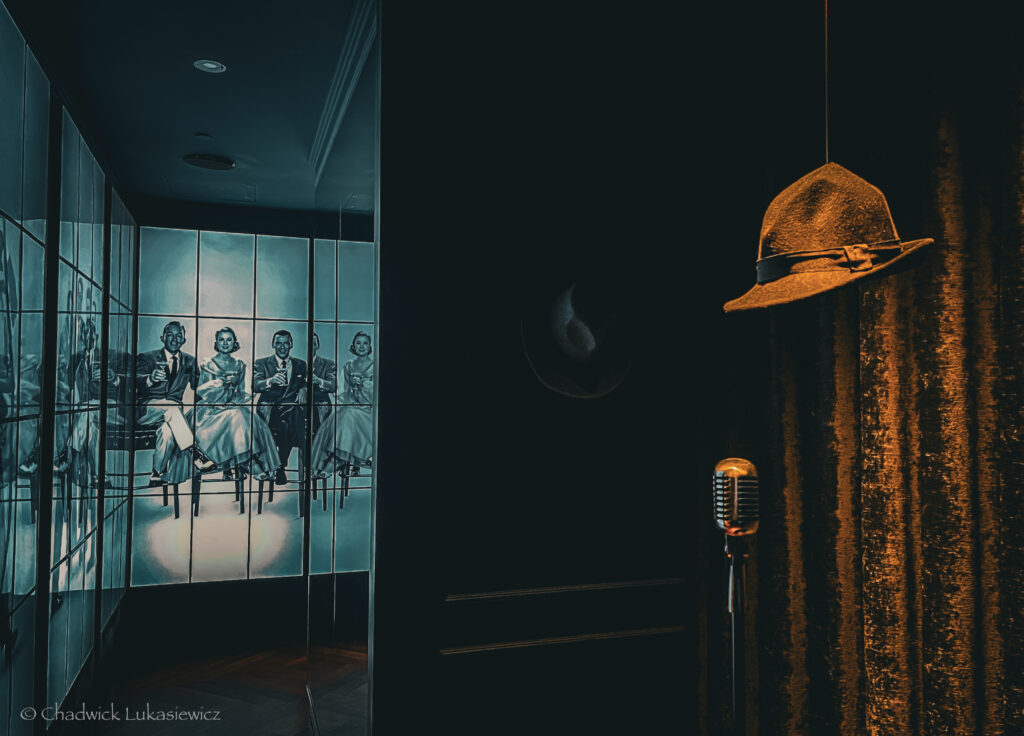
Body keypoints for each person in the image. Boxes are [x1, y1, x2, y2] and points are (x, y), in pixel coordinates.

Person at [164, 327, 279, 481]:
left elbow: (246, 394)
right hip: (209, 411)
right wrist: (220, 383)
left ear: (234, 343)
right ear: (216, 343)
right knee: (238, 416)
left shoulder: (240, 365)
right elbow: (202, 391)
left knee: (244, 416)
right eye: (222, 339)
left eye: (229, 340)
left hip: (232, 409)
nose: (225, 343)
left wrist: (235, 388)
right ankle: (249, 463)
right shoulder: (208, 364)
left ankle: (246, 462)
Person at [136, 321, 214, 485]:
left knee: (167, 432)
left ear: (184, 340)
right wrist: (150, 378)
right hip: (147, 411)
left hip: (171, 417)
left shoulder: (189, 361)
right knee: (172, 406)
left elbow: (199, 388)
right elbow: (135, 382)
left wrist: (211, 399)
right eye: (170, 335)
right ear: (162, 338)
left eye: (179, 335)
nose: (175, 339)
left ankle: (157, 474)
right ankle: (195, 453)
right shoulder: (147, 357)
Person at [311, 331, 374, 477]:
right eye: (358, 343)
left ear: (370, 346)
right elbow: (342, 392)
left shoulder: (375, 366)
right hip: (353, 409)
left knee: (348, 416)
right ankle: (330, 461)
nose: (361, 346)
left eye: (365, 343)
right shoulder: (348, 366)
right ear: (353, 346)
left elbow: (378, 393)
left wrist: (364, 384)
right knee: (338, 418)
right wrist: (351, 400)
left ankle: (336, 461)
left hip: (371, 412)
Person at [253, 330, 307, 484]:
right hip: (270, 410)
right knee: (291, 416)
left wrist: (304, 389)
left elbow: (304, 382)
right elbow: (255, 386)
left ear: (291, 344)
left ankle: (279, 466)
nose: (282, 347)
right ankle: (282, 465)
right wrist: (270, 381)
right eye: (278, 343)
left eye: (286, 343)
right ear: (273, 344)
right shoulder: (261, 363)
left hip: (290, 412)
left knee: (289, 418)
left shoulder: (300, 364)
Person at [311, 332, 337, 436]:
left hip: (320, 403)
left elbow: (332, 386)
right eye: (308, 343)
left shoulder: (328, 364)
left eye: (313, 343)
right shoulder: (297, 363)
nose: (311, 346)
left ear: (318, 346)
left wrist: (319, 381)